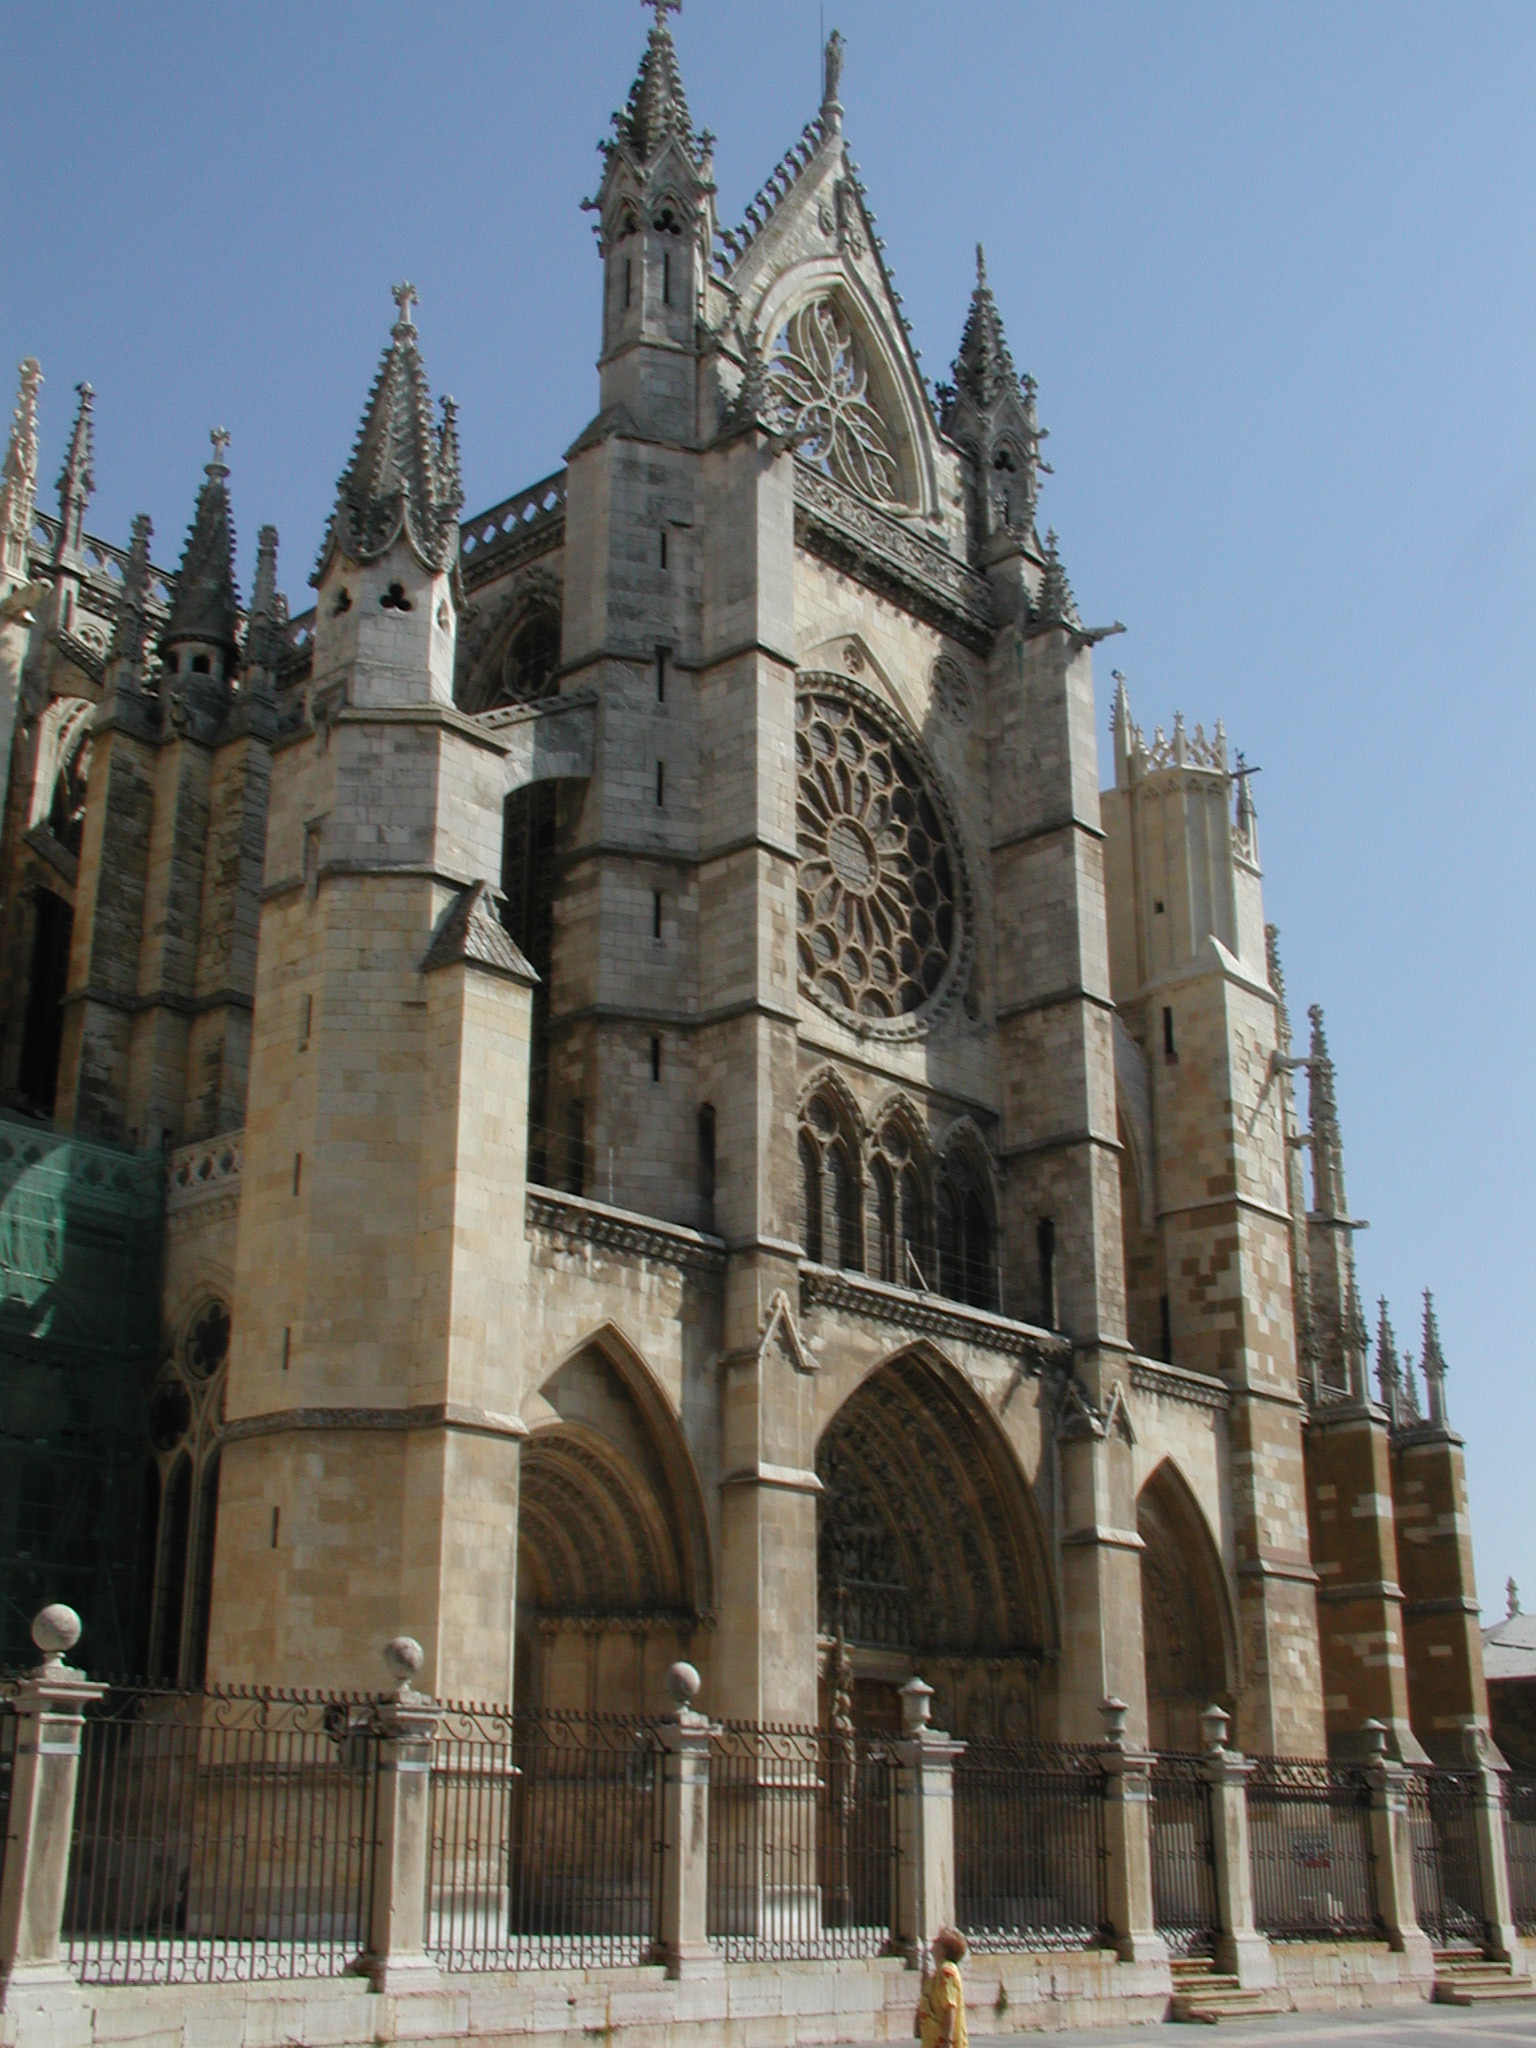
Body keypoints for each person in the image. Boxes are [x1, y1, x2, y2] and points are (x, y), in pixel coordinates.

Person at [914, 1926, 968, 2048]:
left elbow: (950, 2008)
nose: (933, 1941)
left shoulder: (947, 1972)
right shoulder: (937, 1974)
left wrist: (947, 2041)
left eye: (938, 1940)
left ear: (945, 1949)